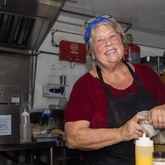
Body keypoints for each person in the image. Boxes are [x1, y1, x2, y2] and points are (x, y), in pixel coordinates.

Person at [64, 15, 165, 165]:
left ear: (122, 42)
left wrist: (161, 109)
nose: (109, 43)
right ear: (91, 53)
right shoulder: (85, 86)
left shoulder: (146, 73)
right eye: (100, 40)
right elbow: (73, 138)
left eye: (112, 36)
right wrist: (121, 133)